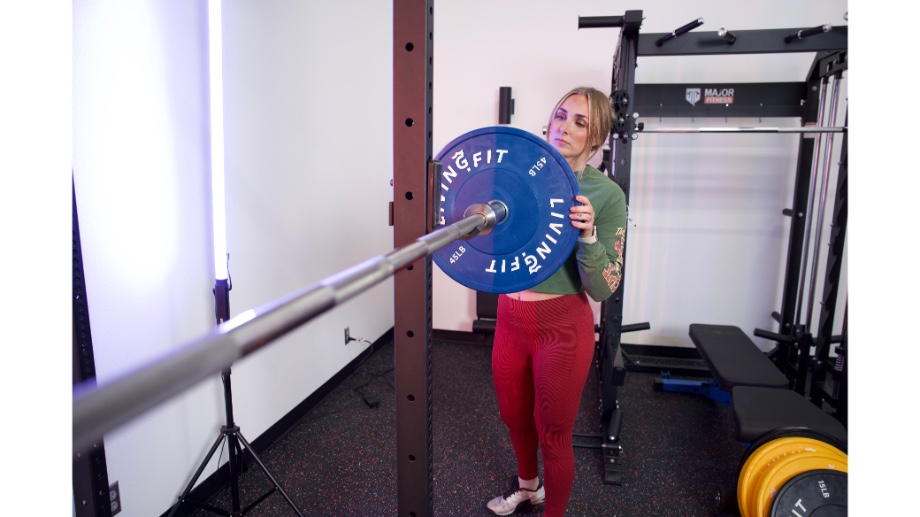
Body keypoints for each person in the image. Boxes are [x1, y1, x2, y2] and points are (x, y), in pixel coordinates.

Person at [485, 86, 628, 517]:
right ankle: (529, 488)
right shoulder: (516, 175)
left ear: (597, 137)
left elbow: (604, 287)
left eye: (580, 122)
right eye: (561, 115)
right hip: (511, 318)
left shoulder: (606, 195)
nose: (564, 127)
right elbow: (488, 244)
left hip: (562, 327)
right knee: (514, 417)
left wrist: (587, 237)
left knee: (554, 433)